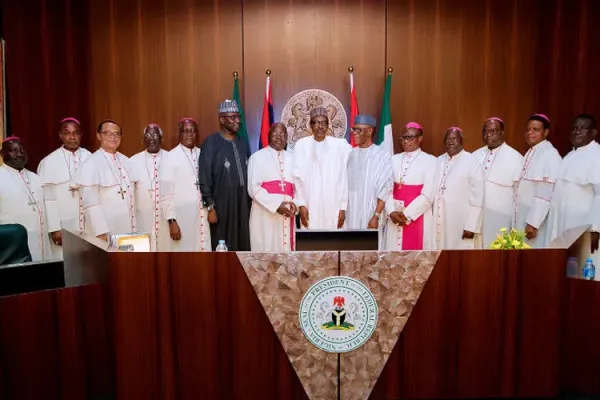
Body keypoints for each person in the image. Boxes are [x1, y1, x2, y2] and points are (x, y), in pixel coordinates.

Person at [548, 114, 600, 267]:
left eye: (583, 128)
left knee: (585, 269)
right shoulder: (570, 156)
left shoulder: (597, 155)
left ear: (594, 133)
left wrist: (596, 228)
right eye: (575, 128)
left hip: (584, 226)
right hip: (564, 225)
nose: (578, 132)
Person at [198, 100, 251, 251]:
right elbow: (204, 176)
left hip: (243, 205)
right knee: (223, 247)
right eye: (232, 117)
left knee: (243, 246)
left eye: (238, 117)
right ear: (222, 119)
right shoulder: (211, 143)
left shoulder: (242, 143)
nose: (237, 121)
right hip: (222, 206)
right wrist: (210, 207)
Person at [74, 120, 137, 240]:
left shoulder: (126, 161)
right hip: (106, 229)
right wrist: (100, 232)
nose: (112, 137)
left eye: (116, 134)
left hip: (128, 224)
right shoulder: (90, 163)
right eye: (107, 133)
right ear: (99, 136)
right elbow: (91, 203)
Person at [37, 117, 91, 255]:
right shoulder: (48, 162)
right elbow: (47, 198)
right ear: (60, 135)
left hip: (89, 224)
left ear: (81, 135)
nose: (72, 137)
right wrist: (55, 228)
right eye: (67, 133)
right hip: (64, 225)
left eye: (76, 133)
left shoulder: (91, 158)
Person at [0, 137, 60, 261]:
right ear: (2, 154)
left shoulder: (35, 177)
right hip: (13, 247)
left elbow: (49, 204)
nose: (19, 154)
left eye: (22, 150)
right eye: (14, 150)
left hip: (42, 240)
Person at [293, 107, 352, 230]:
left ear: (328, 125)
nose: (320, 126)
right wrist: (301, 204)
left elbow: (344, 179)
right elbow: (296, 179)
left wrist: (343, 207)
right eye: (316, 122)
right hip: (310, 205)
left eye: (323, 122)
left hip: (333, 205)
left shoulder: (340, 145)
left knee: (334, 242)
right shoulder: (301, 146)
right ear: (310, 125)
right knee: (312, 243)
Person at [383, 122, 437, 250]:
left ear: (420, 139)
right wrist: (391, 211)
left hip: (417, 216)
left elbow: (428, 195)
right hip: (395, 216)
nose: (406, 141)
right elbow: (386, 188)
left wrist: (406, 214)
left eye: (410, 138)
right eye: (403, 138)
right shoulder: (393, 159)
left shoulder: (430, 161)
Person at [160, 118, 211, 251]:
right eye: (186, 131)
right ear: (179, 134)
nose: (190, 134)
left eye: (193, 131)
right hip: (182, 217)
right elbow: (165, 194)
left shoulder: (203, 154)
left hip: (203, 216)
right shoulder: (170, 157)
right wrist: (172, 221)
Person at [473, 117, 523, 247]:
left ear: (502, 133)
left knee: (496, 253)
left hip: (501, 217)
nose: (488, 135)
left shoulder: (515, 158)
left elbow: (519, 193)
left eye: (493, 131)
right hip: (477, 217)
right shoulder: (474, 156)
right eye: (485, 131)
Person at [513, 114, 562, 248]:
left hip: (535, 224)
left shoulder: (549, 154)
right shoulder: (531, 152)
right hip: (523, 217)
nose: (530, 132)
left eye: (535, 129)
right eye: (528, 129)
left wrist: (534, 223)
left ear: (545, 132)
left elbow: (546, 191)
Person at [432, 127, 484, 249]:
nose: (450, 141)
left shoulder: (472, 161)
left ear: (461, 141)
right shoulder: (438, 160)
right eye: (448, 139)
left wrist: (471, 226)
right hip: (439, 219)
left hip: (460, 222)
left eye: (454, 138)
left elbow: (478, 196)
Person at [248, 122, 297, 251]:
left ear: (287, 138)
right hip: (265, 215)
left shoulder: (293, 159)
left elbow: (299, 187)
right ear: (269, 136)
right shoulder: (257, 157)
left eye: (282, 134)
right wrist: (277, 205)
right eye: (275, 134)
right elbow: (254, 189)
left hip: (287, 213)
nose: (279, 137)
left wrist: (295, 204)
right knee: (266, 251)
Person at [346, 114, 393, 247]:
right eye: (353, 129)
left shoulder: (382, 156)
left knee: (370, 253)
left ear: (370, 131)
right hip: (351, 213)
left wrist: (376, 215)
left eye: (358, 130)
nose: (354, 133)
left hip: (370, 214)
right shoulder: (350, 154)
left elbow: (386, 188)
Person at [131, 124, 169, 251]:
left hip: (166, 218)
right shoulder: (133, 161)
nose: (151, 138)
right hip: (143, 217)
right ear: (143, 139)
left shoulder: (171, 159)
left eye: (155, 135)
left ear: (162, 139)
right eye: (148, 135)